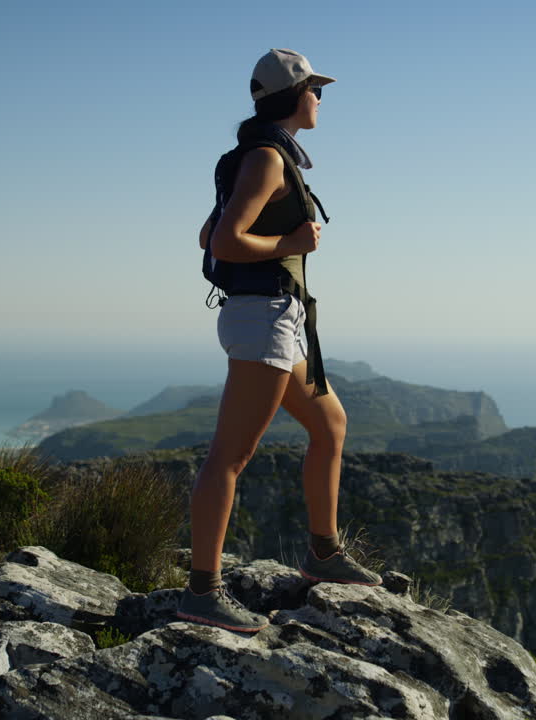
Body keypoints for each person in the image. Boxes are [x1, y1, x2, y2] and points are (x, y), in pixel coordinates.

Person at [176, 49, 382, 633]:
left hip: (272, 315)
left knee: (330, 423)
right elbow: (224, 241)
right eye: (315, 89)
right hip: (262, 316)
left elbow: (207, 233)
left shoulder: (256, 154)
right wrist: (292, 242)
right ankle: (202, 592)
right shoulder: (267, 158)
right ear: (293, 96)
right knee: (229, 457)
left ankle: (323, 553)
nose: (319, 98)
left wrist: (276, 239)